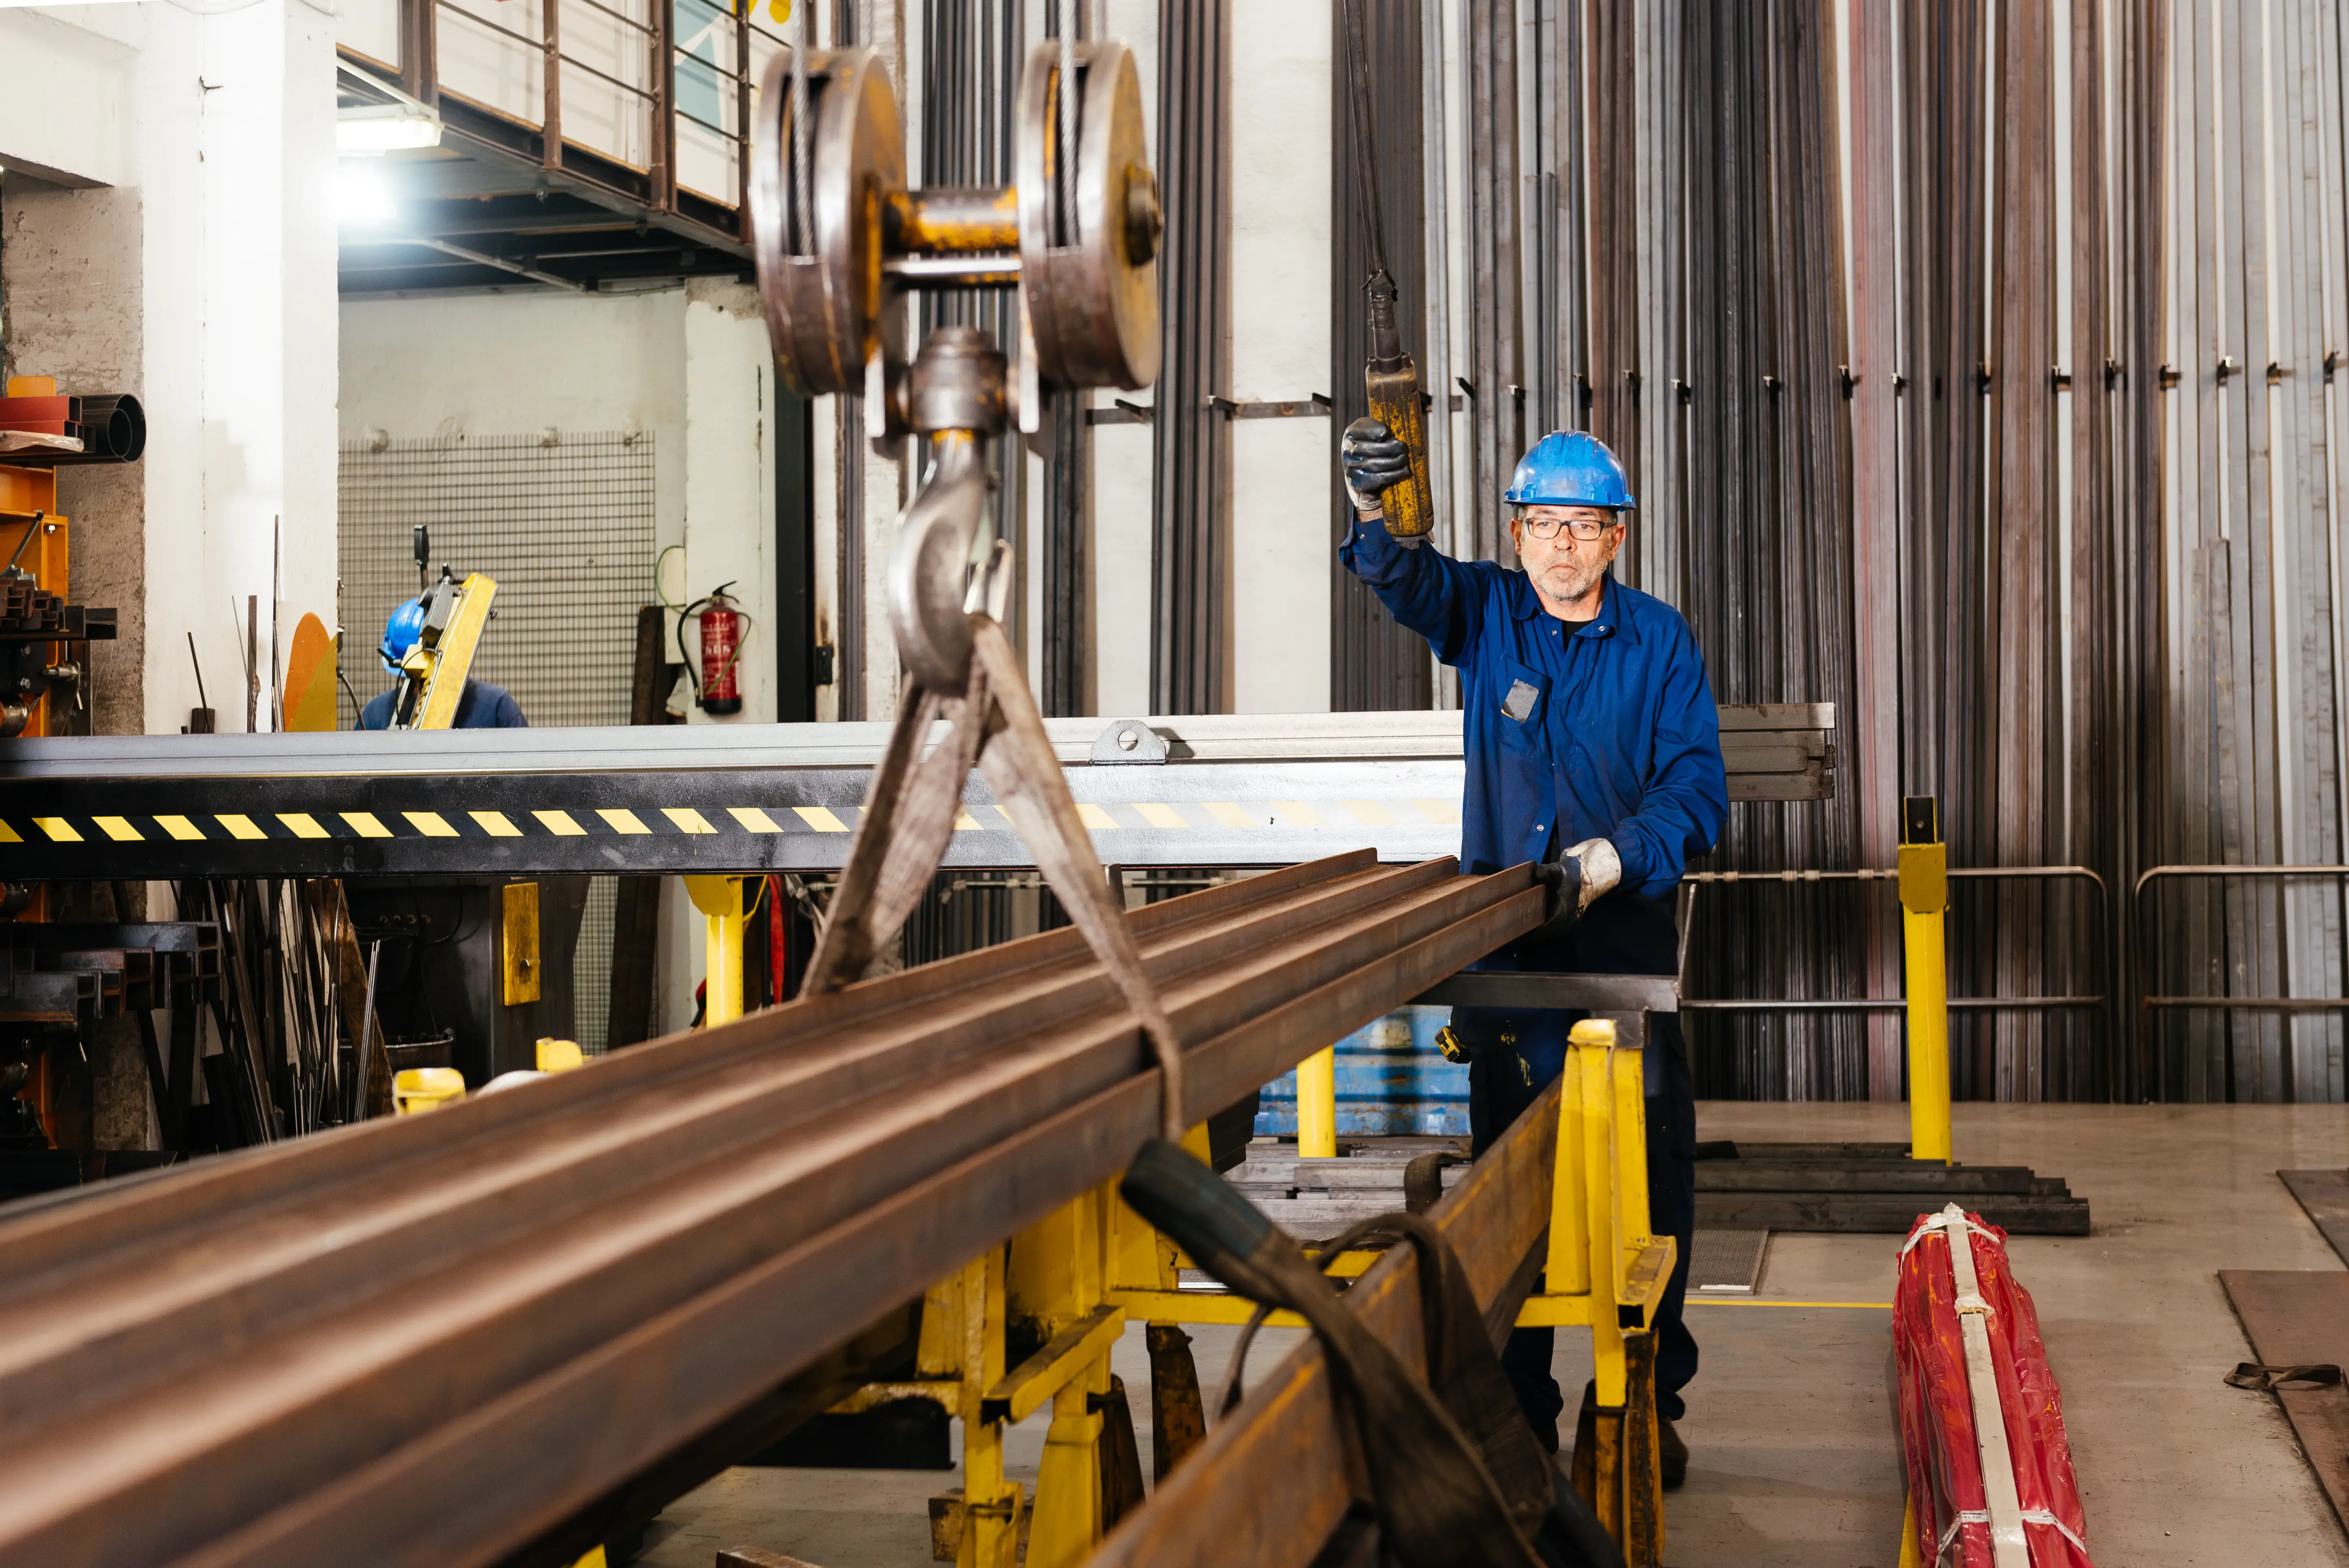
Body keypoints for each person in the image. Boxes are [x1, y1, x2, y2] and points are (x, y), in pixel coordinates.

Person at [1337, 420, 1727, 1488]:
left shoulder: (1659, 642)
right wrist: (1377, 509)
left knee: (1649, 1188)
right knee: (1514, 1196)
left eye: (1585, 526)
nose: (1563, 546)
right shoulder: (1490, 616)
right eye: (1545, 525)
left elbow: (1698, 788)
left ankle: (1646, 1392)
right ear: (1517, 534)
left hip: (1625, 962)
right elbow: (1405, 582)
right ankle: (1516, 1409)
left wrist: (1618, 855)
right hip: (1513, 968)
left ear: (1615, 538)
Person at [356, 596, 528, 730]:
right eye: (409, 677)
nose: (417, 689)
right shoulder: (375, 716)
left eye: (423, 679)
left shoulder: (497, 708)